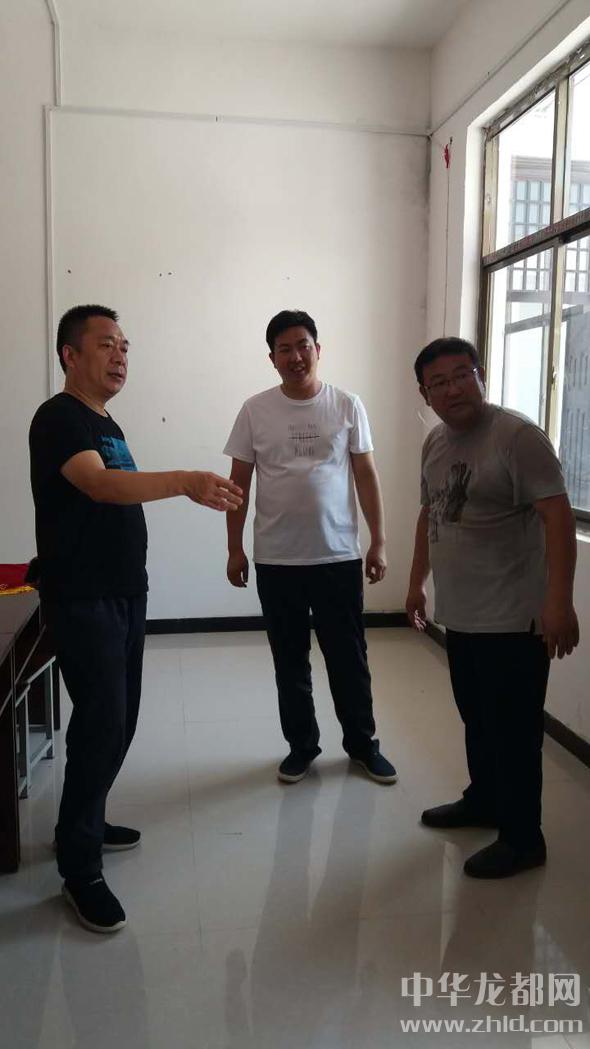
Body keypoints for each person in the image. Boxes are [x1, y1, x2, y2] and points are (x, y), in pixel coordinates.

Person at [29, 304, 242, 933]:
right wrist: (184, 480)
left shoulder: (105, 421)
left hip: (123, 592)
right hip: (83, 596)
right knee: (102, 723)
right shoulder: (59, 417)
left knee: (119, 720)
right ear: (70, 354)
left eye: (125, 345)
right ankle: (79, 868)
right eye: (105, 344)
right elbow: (100, 486)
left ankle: (84, 819)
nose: (120, 355)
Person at [405, 336, 579, 878]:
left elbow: (557, 517)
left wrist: (559, 603)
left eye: (463, 375)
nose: (453, 389)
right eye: (438, 382)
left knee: (515, 733)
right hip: (462, 615)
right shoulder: (435, 442)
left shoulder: (517, 437)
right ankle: (483, 800)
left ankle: (524, 839)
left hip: (514, 618)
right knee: (477, 720)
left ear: (480, 375)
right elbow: (429, 514)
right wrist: (416, 584)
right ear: (425, 394)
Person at [223, 309, 396, 785]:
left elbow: (366, 475)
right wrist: (234, 548)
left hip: (337, 556)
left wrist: (379, 541)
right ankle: (302, 746)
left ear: (318, 349)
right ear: (272, 358)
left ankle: (362, 744)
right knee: (289, 660)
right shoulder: (255, 410)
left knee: (349, 658)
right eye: (285, 349)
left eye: (303, 345)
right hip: (276, 558)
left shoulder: (346, 405)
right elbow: (238, 484)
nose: (296, 356)